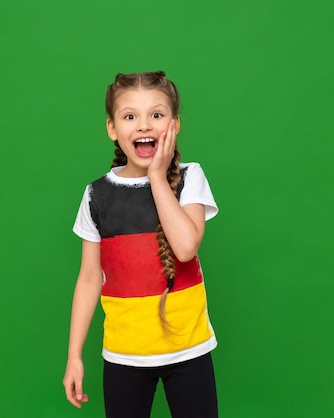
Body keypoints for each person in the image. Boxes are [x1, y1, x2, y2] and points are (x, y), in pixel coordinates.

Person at [63, 71, 219, 418]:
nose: (144, 125)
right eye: (130, 116)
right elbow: (89, 278)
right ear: (112, 129)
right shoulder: (96, 195)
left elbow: (184, 248)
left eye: (157, 115)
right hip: (125, 355)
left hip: (188, 351)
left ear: (174, 125)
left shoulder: (191, 177)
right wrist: (74, 356)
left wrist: (156, 177)